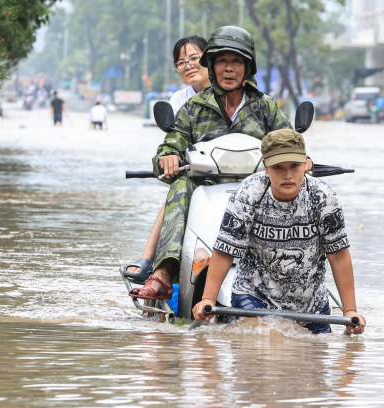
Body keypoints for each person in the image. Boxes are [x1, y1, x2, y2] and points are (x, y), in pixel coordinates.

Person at [127, 26, 295, 301]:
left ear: (248, 67)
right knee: (181, 183)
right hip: (204, 187)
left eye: (236, 61)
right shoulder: (193, 108)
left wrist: (302, 159)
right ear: (213, 66)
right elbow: (171, 143)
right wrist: (167, 158)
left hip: (258, 189)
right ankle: (165, 273)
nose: (229, 69)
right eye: (222, 61)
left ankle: (301, 274)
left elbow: (289, 144)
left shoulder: (267, 107)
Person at [191, 129, 366, 335]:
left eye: (294, 166)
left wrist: (350, 311)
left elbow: (338, 256)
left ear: (306, 163)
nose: (287, 175)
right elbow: (225, 251)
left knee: (316, 356)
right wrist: (208, 300)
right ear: (265, 166)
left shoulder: (323, 197)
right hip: (255, 294)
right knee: (261, 345)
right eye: (278, 167)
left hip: (310, 304)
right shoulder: (248, 194)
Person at [122, 36, 211, 282]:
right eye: (181, 62)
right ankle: (151, 262)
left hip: (239, 175)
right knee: (178, 190)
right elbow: (174, 141)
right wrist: (169, 157)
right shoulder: (180, 102)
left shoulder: (246, 97)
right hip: (198, 175)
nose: (188, 65)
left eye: (194, 58)